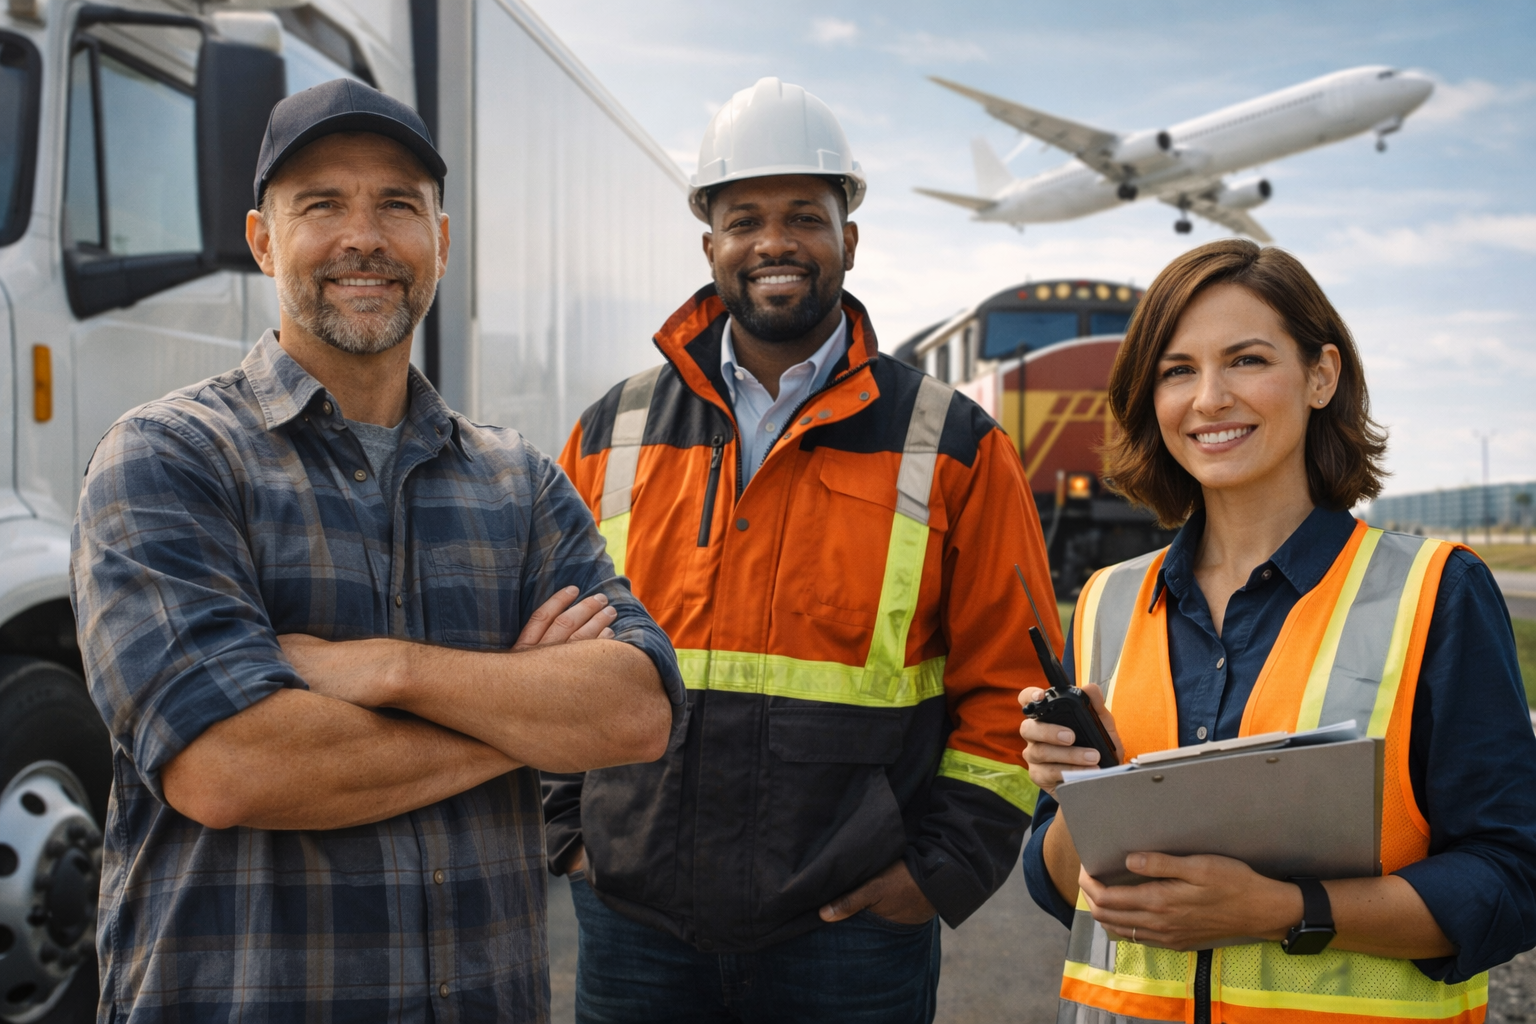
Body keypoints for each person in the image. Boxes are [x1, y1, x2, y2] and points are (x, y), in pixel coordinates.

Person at [69, 79, 682, 1023]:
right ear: (262, 240)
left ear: (441, 239)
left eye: (398, 204)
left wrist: (393, 670)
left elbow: (637, 712)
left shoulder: (518, 482)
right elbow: (229, 768)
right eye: (322, 204)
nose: (365, 237)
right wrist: (520, 714)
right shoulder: (168, 458)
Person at [543, 77, 1059, 1023]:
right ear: (709, 245)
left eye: (804, 218)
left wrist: (937, 872)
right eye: (744, 220)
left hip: (850, 939)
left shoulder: (952, 445)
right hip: (633, 927)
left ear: (849, 240)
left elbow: (1013, 684)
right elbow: (535, 649)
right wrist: (569, 834)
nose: (773, 243)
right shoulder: (611, 433)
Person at [1021, 239, 1536, 1024]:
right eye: (1177, 370)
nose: (1209, 398)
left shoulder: (1436, 591)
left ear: (1321, 376)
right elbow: (1061, 885)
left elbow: (1513, 880)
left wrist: (1286, 910)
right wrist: (1075, 796)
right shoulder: (1105, 602)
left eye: (1247, 360)